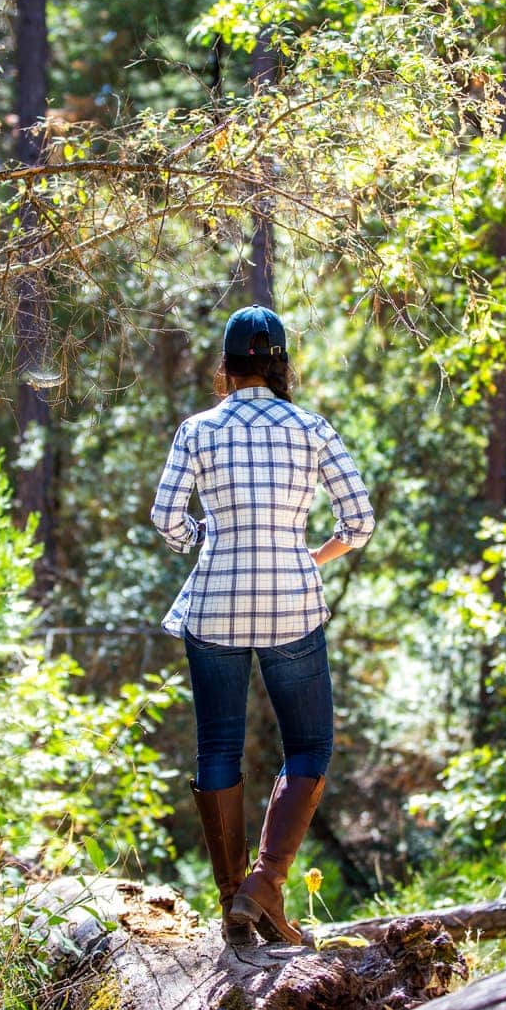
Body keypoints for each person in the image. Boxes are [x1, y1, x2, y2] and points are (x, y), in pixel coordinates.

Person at [151, 305, 375, 945]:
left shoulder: (197, 431)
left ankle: (233, 904)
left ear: (225, 367)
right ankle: (267, 884)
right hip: (291, 602)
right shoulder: (312, 428)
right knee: (308, 746)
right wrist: (309, 557)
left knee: (217, 748)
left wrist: (204, 538)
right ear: (279, 365)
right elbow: (357, 524)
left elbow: (166, 520)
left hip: (215, 600)